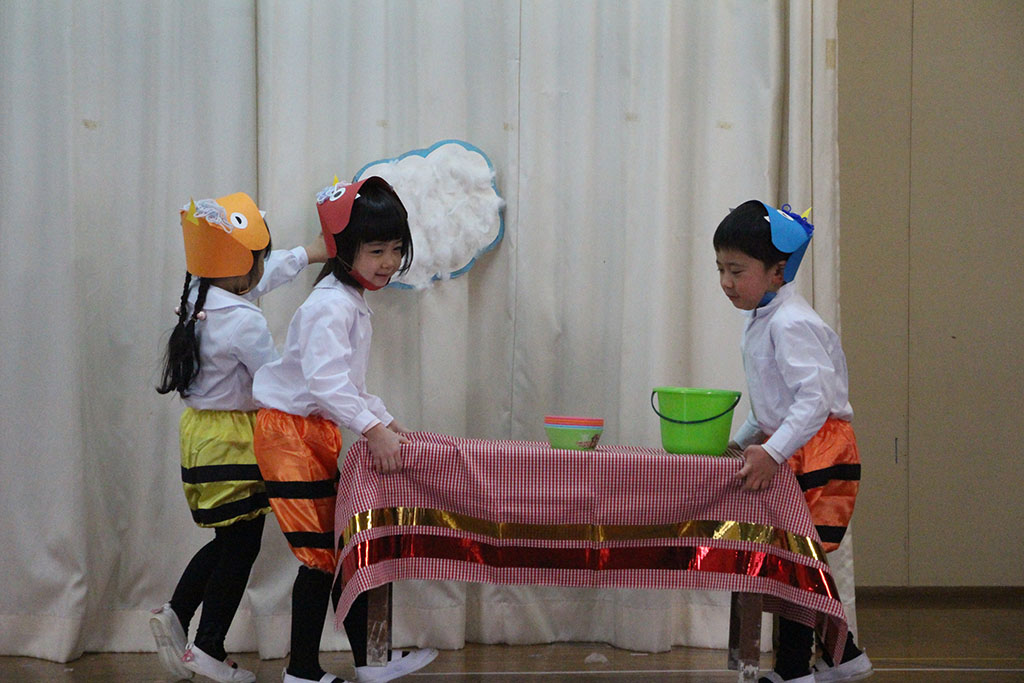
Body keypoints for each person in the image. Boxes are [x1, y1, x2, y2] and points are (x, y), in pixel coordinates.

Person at [252, 176, 437, 683]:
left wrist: (387, 422)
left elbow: (348, 386)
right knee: (321, 556)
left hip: (312, 432)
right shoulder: (330, 305)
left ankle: (369, 662)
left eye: (396, 249)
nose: (389, 261)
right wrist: (373, 430)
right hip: (290, 436)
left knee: (340, 548)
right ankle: (302, 672)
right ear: (341, 249)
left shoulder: (348, 300)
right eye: (376, 250)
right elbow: (327, 384)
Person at [153, 192, 327, 683]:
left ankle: (180, 615)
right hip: (232, 438)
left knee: (232, 540)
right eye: (257, 259)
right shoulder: (244, 321)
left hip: (201, 436)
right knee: (240, 546)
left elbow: (256, 280)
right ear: (238, 269)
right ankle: (204, 641)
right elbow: (272, 381)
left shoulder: (199, 295)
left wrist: (310, 253)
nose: (262, 270)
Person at [714, 200, 873, 683]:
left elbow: (813, 400)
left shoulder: (790, 322)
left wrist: (772, 450)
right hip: (796, 445)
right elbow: (771, 405)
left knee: (799, 560)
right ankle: (841, 656)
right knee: (794, 559)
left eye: (737, 271)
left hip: (822, 450)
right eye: (720, 269)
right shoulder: (763, 318)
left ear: (777, 271)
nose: (726, 282)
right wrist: (740, 443)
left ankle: (795, 669)